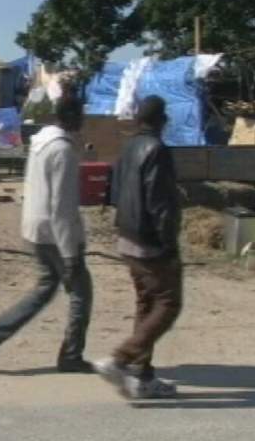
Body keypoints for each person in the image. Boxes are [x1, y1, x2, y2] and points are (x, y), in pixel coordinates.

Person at [0, 94, 93, 373]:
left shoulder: (41, 142)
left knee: (44, 288)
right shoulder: (62, 151)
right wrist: (70, 253)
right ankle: (71, 356)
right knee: (81, 294)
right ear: (75, 117)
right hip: (54, 234)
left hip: (33, 228)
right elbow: (62, 207)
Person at [95, 95, 183, 399]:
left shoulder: (128, 146)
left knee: (146, 304)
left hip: (127, 236)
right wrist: (168, 243)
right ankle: (120, 359)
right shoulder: (156, 150)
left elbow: (115, 191)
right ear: (162, 120)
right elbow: (160, 203)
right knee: (169, 304)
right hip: (149, 240)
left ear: (137, 119)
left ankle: (142, 376)